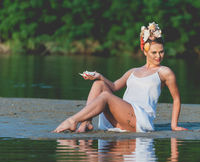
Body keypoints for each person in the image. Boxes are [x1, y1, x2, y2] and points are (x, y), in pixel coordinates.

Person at [53, 22, 187, 133]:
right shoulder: (133, 71)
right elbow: (114, 86)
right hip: (122, 116)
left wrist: (174, 125)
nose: (158, 56)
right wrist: (99, 76)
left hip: (141, 119)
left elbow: (176, 99)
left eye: (161, 51)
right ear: (144, 51)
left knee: (105, 97)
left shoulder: (165, 72)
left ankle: (73, 121)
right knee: (98, 85)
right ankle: (86, 122)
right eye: (154, 52)